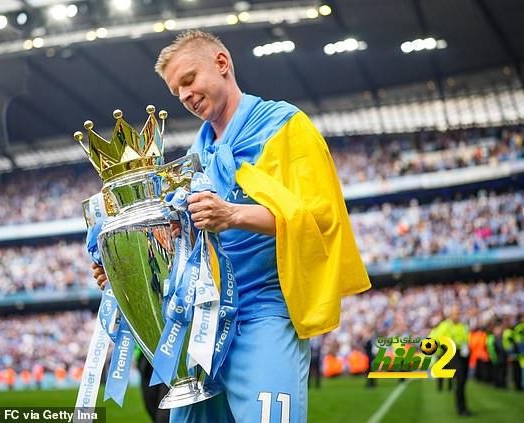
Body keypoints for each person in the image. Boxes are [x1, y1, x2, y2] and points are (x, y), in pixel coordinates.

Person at [92, 30, 371, 423]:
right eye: (177, 92)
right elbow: (185, 246)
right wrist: (128, 270)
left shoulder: (285, 126)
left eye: (188, 80)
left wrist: (233, 214)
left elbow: (321, 219)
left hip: (267, 311)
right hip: (203, 326)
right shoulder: (194, 157)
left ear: (222, 64)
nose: (185, 96)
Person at [432, 306, 471, 417]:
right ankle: (461, 409)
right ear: (450, 314)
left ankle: (463, 407)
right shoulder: (445, 325)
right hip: (451, 354)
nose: (456, 315)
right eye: (454, 313)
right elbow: (435, 338)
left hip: (463, 354)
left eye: (458, 313)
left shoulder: (463, 326)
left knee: (463, 381)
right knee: (459, 380)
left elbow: (465, 338)